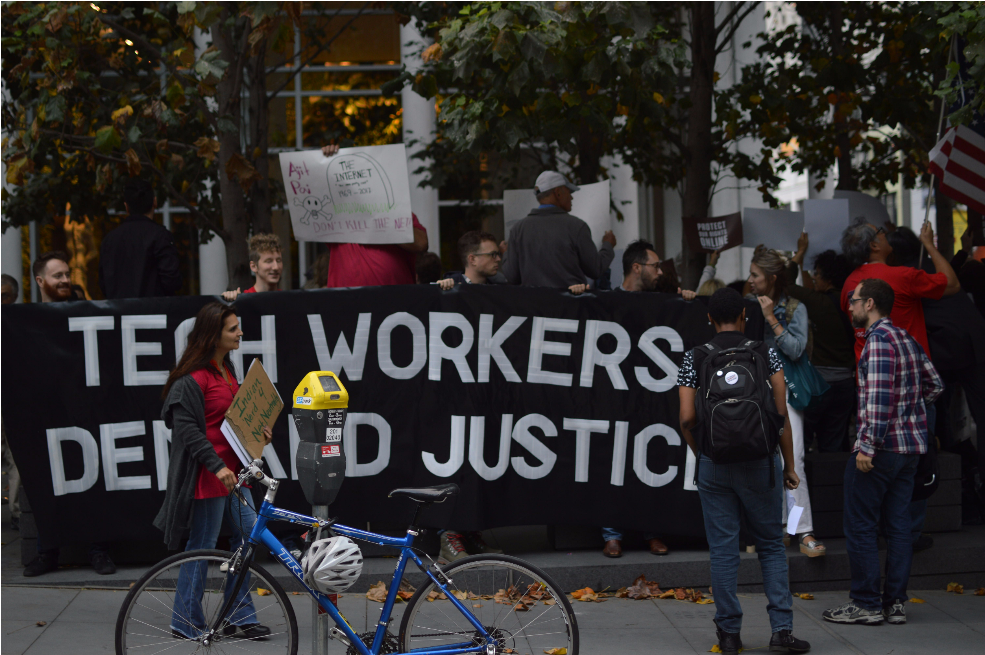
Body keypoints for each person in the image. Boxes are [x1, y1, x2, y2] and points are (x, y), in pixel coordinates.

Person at [678, 288, 810, 655]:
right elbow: (780, 415)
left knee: (723, 551)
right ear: (744, 315)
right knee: (770, 546)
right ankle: (782, 632)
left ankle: (730, 635)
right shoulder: (765, 352)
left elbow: (687, 418)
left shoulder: (695, 357)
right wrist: (788, 465)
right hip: (760, 463)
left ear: (709, 319)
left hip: (714, 465)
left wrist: (702, 454)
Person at [823, 279, 943, 627]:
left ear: (870, 303)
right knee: (899, 527)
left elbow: (877, 401)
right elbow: (935, 384)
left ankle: (865, 604)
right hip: (910, 450)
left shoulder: (876, 343)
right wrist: (910, 413)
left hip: (880, 449)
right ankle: (895, 603)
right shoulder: (907, 338)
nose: (849, 306)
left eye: (854, 300)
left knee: (860, 526)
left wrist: (867, 446)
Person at [155, 301, 274, 640]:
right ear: (213, 335)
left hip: (236, 473)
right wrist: (217, 465)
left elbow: (233, 420)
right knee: (202, 545)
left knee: (247, 540)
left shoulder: (227, 370)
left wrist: (260, 433)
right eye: (232, 328)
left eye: (238, 326)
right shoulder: (190, 380)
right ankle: (185, 620)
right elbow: (188, 432)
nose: (240, 332)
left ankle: (239, 615)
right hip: (210, 476)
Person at [24, 253, 114, 576]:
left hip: (84, 411)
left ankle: (98, 550)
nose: (64, 280)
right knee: (45, 483)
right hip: (44, 415)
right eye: (57, 275)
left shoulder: (84, 314)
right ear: (40, 282)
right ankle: (47, 552)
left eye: (67, 274)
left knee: (93, 479)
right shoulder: (25, 320)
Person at [747, 245, 823, 557]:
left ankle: (800, 529)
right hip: (754, 393)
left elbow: (795, 349)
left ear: (773, 278)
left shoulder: (794, 309)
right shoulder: (748, 305)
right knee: (763, 461)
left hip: (786, 394)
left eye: (755, 275)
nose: (750, 280)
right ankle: (778, 530)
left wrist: (771, 319)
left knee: (794, 461)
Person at [840, 219, 960, 364]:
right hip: (906, 371)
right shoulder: (903, 276)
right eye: (880, 231)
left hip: (869, 372)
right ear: (874, 245)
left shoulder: (848, 284)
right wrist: (929, 244)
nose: (885, 234)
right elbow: (952, 284)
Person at [320, 144, 430, 287]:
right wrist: (325, 160)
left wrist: (381, 221)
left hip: (393, 300)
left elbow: (421, 244)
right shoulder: (336, 213)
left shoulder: (396, 213)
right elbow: (317, 193)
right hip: (346, 302)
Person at [788, 236, 856, 452]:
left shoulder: (818, 303)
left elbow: (786, 283)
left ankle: (806, 483)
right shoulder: (852, 301)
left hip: (818, 384)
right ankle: (832, 484)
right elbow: (813, 289)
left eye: (816, 274)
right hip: (846, 384)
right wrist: (804, 268)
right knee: (834, 444)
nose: (814, 278)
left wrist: (799, 255)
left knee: (803, 441)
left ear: (826, 278)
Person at [500, 171, 616, 288]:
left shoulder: (518, 229)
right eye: (569, 192)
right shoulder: (576, 227)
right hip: (570, 304)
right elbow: (596, 269)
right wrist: (608, 245)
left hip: (533, 305)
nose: (571, 197)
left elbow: (512, 277)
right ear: (558, 193)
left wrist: (506, 253)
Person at [99, 178, 182, 299]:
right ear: (155, 202)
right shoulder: (160, 236)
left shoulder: (109, 240)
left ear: (126, 206)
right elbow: (172, 282)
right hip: (154, 314)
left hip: (120, 314)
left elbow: (104, 284)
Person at [1, 275, 20, 529]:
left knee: (15, 457)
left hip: (12, 400)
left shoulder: (18, 324)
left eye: (3, 295)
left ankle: (16, 512)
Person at [222, 234, 284, 301]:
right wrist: (230, 302)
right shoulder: (245, 300)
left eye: (278, 261)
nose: (276, 267)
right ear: (253, 266)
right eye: (269, 261)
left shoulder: (287, 299)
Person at [437, 231, 502, 289]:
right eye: (493, 254)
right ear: (473, 259)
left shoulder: (497, 289)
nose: (498, 259)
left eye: (498, 254)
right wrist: (441, 288)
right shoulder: (451, 288)